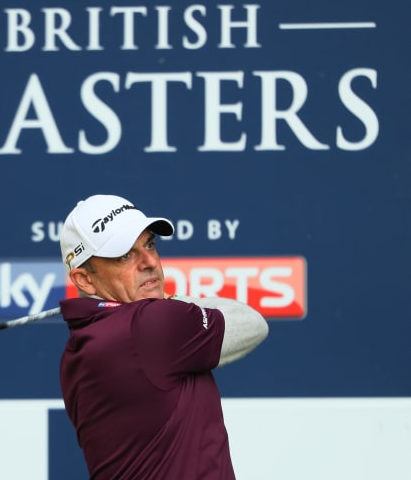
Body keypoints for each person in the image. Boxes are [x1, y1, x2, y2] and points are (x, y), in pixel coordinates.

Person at [58, 194, 268, 480]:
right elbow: (252, 322)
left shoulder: (76, 351)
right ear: (84, 279)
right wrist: (172, 299)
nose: (149, 262)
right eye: (124, 255)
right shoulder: (152, 324)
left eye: (149, 244)